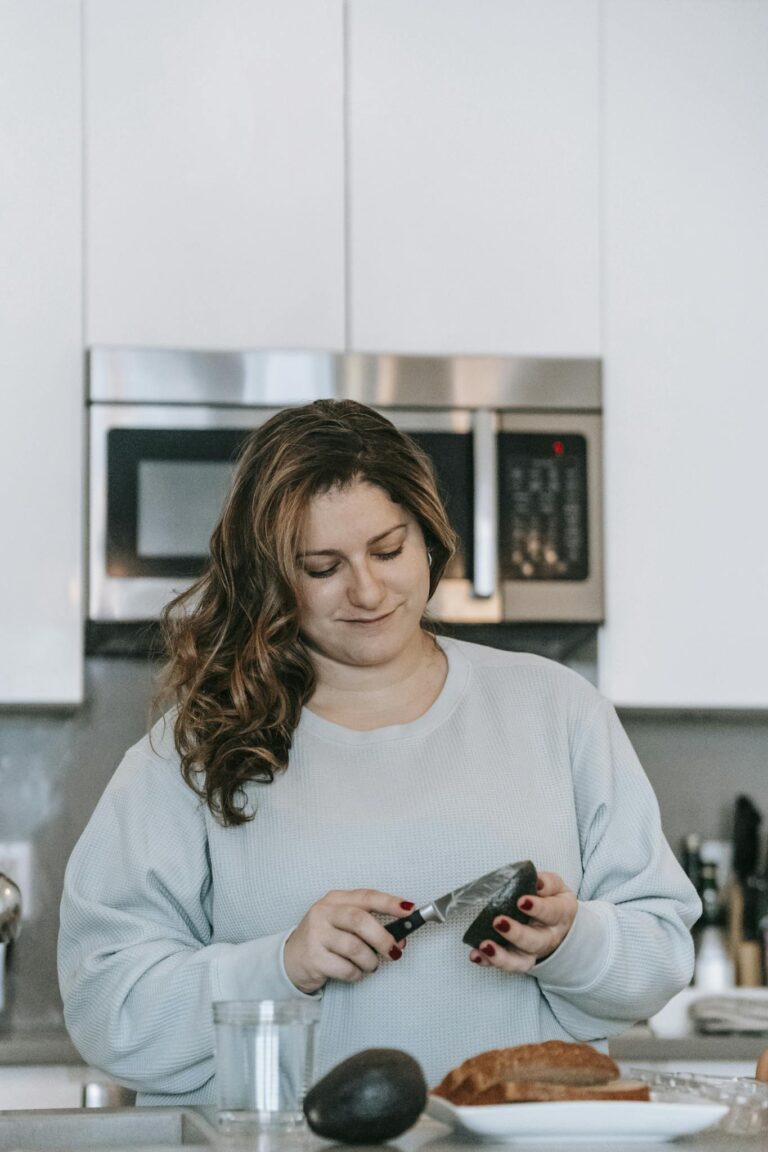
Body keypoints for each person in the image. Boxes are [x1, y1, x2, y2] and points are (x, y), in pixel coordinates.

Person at [58, 399, 700, 1105]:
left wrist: (571, 940)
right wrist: (282, 964)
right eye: (322, 566)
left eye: (388, 550)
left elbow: (662, 952)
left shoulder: (556, 710)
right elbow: (106, 1004)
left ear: (427, 536)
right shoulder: (196, 745)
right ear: (272, 578)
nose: (366, 591)